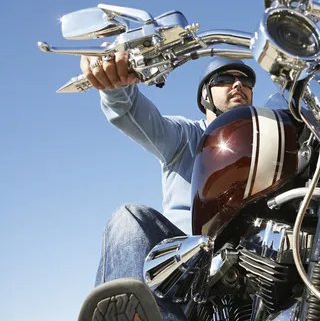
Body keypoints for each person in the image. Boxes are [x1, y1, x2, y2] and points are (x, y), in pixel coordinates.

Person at [77, 51, 256, 321]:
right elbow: (132, 114)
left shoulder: (268, 145)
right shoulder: (186, 136)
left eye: (245, 81)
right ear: (205, 95)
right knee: (129, 220)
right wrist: (117, 87)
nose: (238, 84)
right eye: (224, 78)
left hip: (254, 269)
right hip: (186, 266)